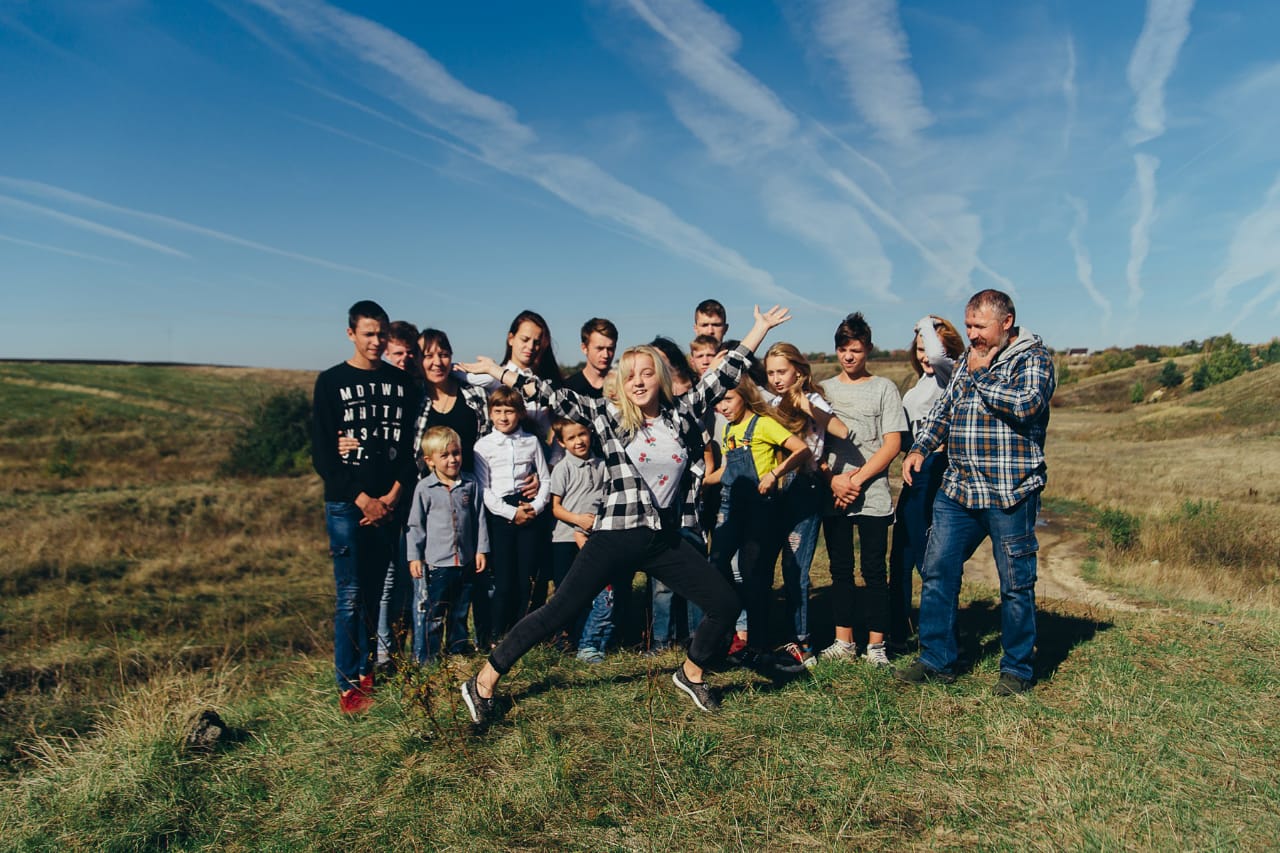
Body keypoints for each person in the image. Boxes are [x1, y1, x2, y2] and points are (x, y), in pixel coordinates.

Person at [457, 305, 791, 723]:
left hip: (661, 540)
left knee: (724, 603)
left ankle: (691, 672)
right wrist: (499, 371)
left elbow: (720, 377)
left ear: (661, 378)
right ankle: (483, 680)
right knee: (558, 609)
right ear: (620, 382)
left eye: (646, 373)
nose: (637, 381)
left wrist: (758, 328)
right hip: (614, 536)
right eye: (629, 374)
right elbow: (551, 394)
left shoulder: (679, 414)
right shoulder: (609, 417)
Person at [895, 290, 1055, 695]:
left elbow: (1026, 406)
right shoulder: (969, 357)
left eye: (979, 327)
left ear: (1006, 322)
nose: (972, 335)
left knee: (1015, 582)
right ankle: (937, 659)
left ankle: (1017, 668)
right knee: (937, 570)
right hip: (959, 488)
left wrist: (982, 374)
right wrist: (920, 447)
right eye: (968, 326)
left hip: (1009, 491)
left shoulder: (1033, 358)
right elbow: (944, 409)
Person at [311, 300, 420, 713]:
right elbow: (322, 454)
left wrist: (391, 497)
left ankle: (368, 669)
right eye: (368, 334)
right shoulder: (331, 382)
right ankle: (348, 683)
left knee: (375, 594)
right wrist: (363, 500)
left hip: (388, 505)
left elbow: (410, 449)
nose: (375, 342)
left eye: (381, 334)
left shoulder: (402, 383)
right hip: (346, 506)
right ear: (351, 334)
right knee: (350, 595)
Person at [818, 312, 907, 668]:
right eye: (842, 350)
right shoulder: (824, 390)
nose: (848, 357)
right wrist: (833, 480)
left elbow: (892, 443)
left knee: (873, 571)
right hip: (833, 494)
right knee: (840, 569)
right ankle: (843, 642)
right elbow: (813, 444)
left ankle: (876, 646)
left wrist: (856, 480)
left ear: (868, 349)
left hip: (872, 495)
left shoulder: (884, 388)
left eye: (855, 349)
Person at [705, 375, 810, 669]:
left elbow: (801, 449)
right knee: (716, 565)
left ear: (745, 395)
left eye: (729, 399)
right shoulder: (728, 429)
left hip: (761, 509)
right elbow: (725, 469)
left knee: (754, 577)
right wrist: (699, 482)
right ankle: (723, 637)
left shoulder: (763, 423)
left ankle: (759, 646)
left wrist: (775, 474)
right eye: (719, 401)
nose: (723, 407)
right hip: (732, 506)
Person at [762, 342, 849, 667]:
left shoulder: (812, 399)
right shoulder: (771, 401)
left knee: (795, 565)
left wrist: (803, 402)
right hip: (774, 488)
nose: (776, 379)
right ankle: (776, 636)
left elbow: (841, 429)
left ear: (799, 370)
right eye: (771, 373)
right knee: (771, 564)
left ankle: (801, 644)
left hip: (805, 487)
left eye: (781, 371)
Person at [887, 315, 964, 647]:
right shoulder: (918, 385)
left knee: (927, 558)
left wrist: (923, 324)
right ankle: (900, 630)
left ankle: (941, 636)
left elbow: (936, 357)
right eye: (917, 349)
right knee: (900, 555)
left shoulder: (950, 375)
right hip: (913, 474)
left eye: (928, 349)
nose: (924, 356)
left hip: (935, 472)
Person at [473, 386, 552, 646]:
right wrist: (510, 512)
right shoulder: (483, 446)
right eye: (498, 411)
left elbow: (545, 477)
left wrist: (535, 508)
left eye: (509, 411)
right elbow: (484, 489)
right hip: (501, 514)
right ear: (490, 413)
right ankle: (497, 634)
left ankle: (524, 634)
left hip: (529, 509)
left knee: (526, 576)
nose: (504, 417)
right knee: (504, 579)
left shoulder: (530, 441)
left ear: (519, 413)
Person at [405, 426, 488, 662]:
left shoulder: (470, 484)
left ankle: (457, 651)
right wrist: (415, 557)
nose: (453, 460)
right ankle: (430, 657)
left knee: (461, 610)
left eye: (456, 453)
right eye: (445, 455)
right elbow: (415, 525)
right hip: (437, 565)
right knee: (435, 612)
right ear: (430, 461)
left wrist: (481, 549)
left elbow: (479, 518)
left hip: (465, 560)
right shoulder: (424, 489)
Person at [547, 418, 611, 662]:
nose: (579, 441)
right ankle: (563, 635)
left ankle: (588, 637)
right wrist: (577, 520)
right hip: (565, 537)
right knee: (566, 589)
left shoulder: (602, 465)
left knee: (592, 588)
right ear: (562, 443)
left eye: (582, 434)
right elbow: (555, 508)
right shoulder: (563, 468)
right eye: (571, 438)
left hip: (594, 537)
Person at [565, 318, 618, 399]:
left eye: (610, 349)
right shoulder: (568, 389)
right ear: (584, 348)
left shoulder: (623, 388)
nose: (606, 355)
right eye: (599, 348)